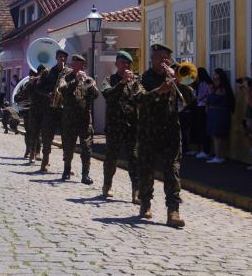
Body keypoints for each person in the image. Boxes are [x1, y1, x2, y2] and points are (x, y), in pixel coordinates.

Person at [134, 44, 193, 228]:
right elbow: (138, 99)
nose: (163, 61)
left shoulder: (175, 77)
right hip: (148, 131)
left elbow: (190, 98)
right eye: (159, 57)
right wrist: (159, 90)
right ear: (152, 59)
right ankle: (145, 203)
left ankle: (173, 211)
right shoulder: (143, 78)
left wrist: (180, 81)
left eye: (166, 58)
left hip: (171, 132)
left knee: (173, 171)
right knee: (146, 170)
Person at [100, 51, 143, 202]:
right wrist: (122, 83)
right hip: (114, 127)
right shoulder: (109, 79)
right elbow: (108, 95)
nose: (125, 66)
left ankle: (136, 191)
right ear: (116, 64)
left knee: (135, 159)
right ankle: (107, 185)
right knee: (111, 158)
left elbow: (142, 98)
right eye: (122, 63)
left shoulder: (137, 81)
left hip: (132, 127)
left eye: (128, 63)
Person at [56, 54, 99, 184]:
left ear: (83, 66)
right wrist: (75, 80)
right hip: (69, 119)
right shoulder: (65, 78)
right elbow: (62, 90)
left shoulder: (89, 79)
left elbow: (96, 95)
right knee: (68, 146)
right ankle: (66, 170)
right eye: (74, 64)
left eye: (79, 65)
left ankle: (85, 175)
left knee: (87, 148)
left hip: (85, 120)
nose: (76, 66)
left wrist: (89, 85)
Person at [37, 49, 69, 171]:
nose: (62, 60)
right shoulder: (48, 72)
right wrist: (48, 94)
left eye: (64, 58)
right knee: (47, 136)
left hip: (64, 109)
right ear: (56, 58)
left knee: (66, 137)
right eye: (60, 57)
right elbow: (39, 88)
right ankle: (45, 161)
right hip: (50, 109)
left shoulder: (69, 73)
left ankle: (67, 164)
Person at [205, 68, 235, 164]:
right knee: (219, 136)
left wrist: (210, 92)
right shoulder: (221, 89)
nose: (214, 81)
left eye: (216, 79)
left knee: (217, 135)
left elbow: (212, 100)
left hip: (218, 114)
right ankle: (220, 156)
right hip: (217, 114)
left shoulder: (221, 89)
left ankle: (218, 156)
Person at [189, 67, 211, 158]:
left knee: (202, 129)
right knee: (198, 128)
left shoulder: (204, 83)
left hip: (202, 107)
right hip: (198, 107)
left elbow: (200, 96)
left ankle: (205, 150)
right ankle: (198, 149)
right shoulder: (198, 84)